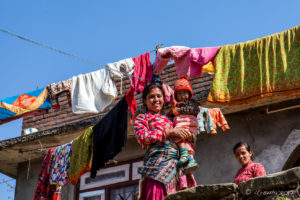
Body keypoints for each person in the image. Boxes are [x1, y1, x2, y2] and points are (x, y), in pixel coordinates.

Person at [134, 81, 197, 200]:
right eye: (151, 97)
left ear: (164, 99)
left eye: (159, 96)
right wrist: (169, 132)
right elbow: (143, 136)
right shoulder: (142, 118)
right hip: (156, 167)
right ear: (144, 101)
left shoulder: (172, 118)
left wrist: (188, 134)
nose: (156, 99)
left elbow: (189, 132)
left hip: (177, 165)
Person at [170, 77, 199, 173]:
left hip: (189, 124)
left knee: (179, 135)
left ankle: (184, 153)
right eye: (179, 93)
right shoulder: (176, 106)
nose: (182, 96)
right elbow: (171, 113)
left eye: (184, 93)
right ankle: (190, 160)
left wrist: (179, 111)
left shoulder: (192, 103)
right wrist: (174, 111)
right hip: (183, 125)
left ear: (189, 94)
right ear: (176, 96)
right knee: (186, 142)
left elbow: (193, 110)